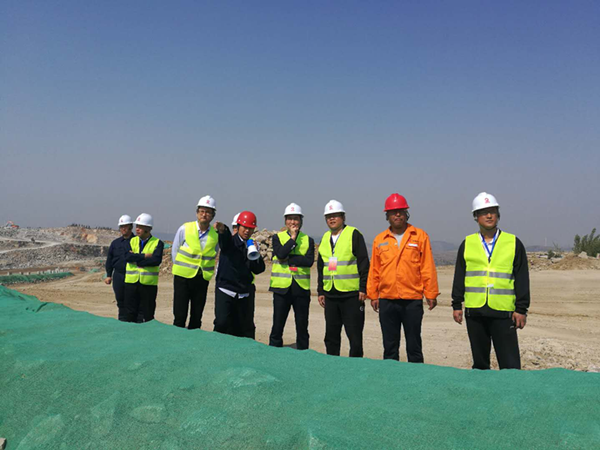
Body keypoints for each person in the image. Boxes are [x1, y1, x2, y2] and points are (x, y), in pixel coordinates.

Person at [451, 192, 530, 370]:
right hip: (475, 312)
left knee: (510, 366)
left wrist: (521, 309)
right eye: (483, 212)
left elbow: (522, 278)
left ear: (498, 214)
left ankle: (510, 389)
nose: (488, 215)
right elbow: (459, 276)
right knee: (480, 366)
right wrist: (456, 304)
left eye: (492, 211)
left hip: (503, 313)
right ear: (476, 216)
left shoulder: (513, 243)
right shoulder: (467, 243)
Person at [367, 193, 439, 362]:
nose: (397, 214)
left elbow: (427, 267)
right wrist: (373, 294)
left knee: (414, 346)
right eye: (393, 212)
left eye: (400, 211)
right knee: (390, 347)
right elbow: (375, 269)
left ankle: (416, 376)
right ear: (387, 215)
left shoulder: (419, 236)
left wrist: (431, 293)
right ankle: (391, 377)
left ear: (406, 213)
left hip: (412, 300)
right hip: (387, 299)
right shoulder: (380, 239)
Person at [317, 200, 370, 357]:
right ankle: (333, 364)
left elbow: (363, 263)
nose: (332, 219)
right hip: (331, 294)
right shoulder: (325, 238)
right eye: (329, 216)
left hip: (351, 295)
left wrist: (363, 287)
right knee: (331, 336)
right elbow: (321, 267)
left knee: (354, 336)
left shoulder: (354, 234)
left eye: (335, 215)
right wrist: (321, 291)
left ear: (343, 217)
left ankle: (355, 365)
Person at [269, 203, 315, 350]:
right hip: (281, 288)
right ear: (285, 220)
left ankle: (303, 352)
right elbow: (281, 254)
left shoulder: (308, 240)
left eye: (296, 219)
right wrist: (293, 238)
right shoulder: (277, 238)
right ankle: (273, 351)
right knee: (277, 324)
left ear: (301, 221)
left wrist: (290, 259)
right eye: (290, 219)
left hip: (301, 289)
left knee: (302, 326)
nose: (293, 222)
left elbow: (308, 261)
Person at [213, 211, 265, 338]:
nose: (247, 231)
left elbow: (258, 269)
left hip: (244, 293)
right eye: (244, 227)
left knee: (245, 329)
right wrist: (222, 229)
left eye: (250, 228)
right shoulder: (230, 242)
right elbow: (224, 239)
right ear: (238, 227)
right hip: (226, 290)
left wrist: (255, 253)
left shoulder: (250, 245)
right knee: (222, 324)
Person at [172, 196, 219, 330]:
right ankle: (177, 338)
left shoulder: (215, 234)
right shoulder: (185, 228)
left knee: (197, 315)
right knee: (180, 314)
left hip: (201, 277)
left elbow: (215, 253)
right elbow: (175, 250)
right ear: (197, 213)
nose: (204, 215)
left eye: (208, 212)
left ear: (213, 216)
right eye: (202, 211)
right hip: (182, 277)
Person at [123, 213, 164, 323]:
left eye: (140, 227)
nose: (137, 229)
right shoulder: (131, 241)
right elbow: (127, 257)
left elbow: (156, 260)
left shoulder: (158, 243)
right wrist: (145, 256)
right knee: (130, 313)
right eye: (137, 226)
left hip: (148, 285)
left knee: (148, 314)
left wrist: (136, 258)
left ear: (148, 228)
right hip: (131, 283)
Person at [105, 215, 134, 321]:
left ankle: (133, 322)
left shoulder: (136, 241)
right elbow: (110, 259)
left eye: (125, 226)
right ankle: (122, 321)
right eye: (121, 226)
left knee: (132, 300)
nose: (123, 229)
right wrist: (108, 275)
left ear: (131, 227)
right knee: (120, 300)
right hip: (118, 275)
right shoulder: (115, 243)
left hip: (132, 275)